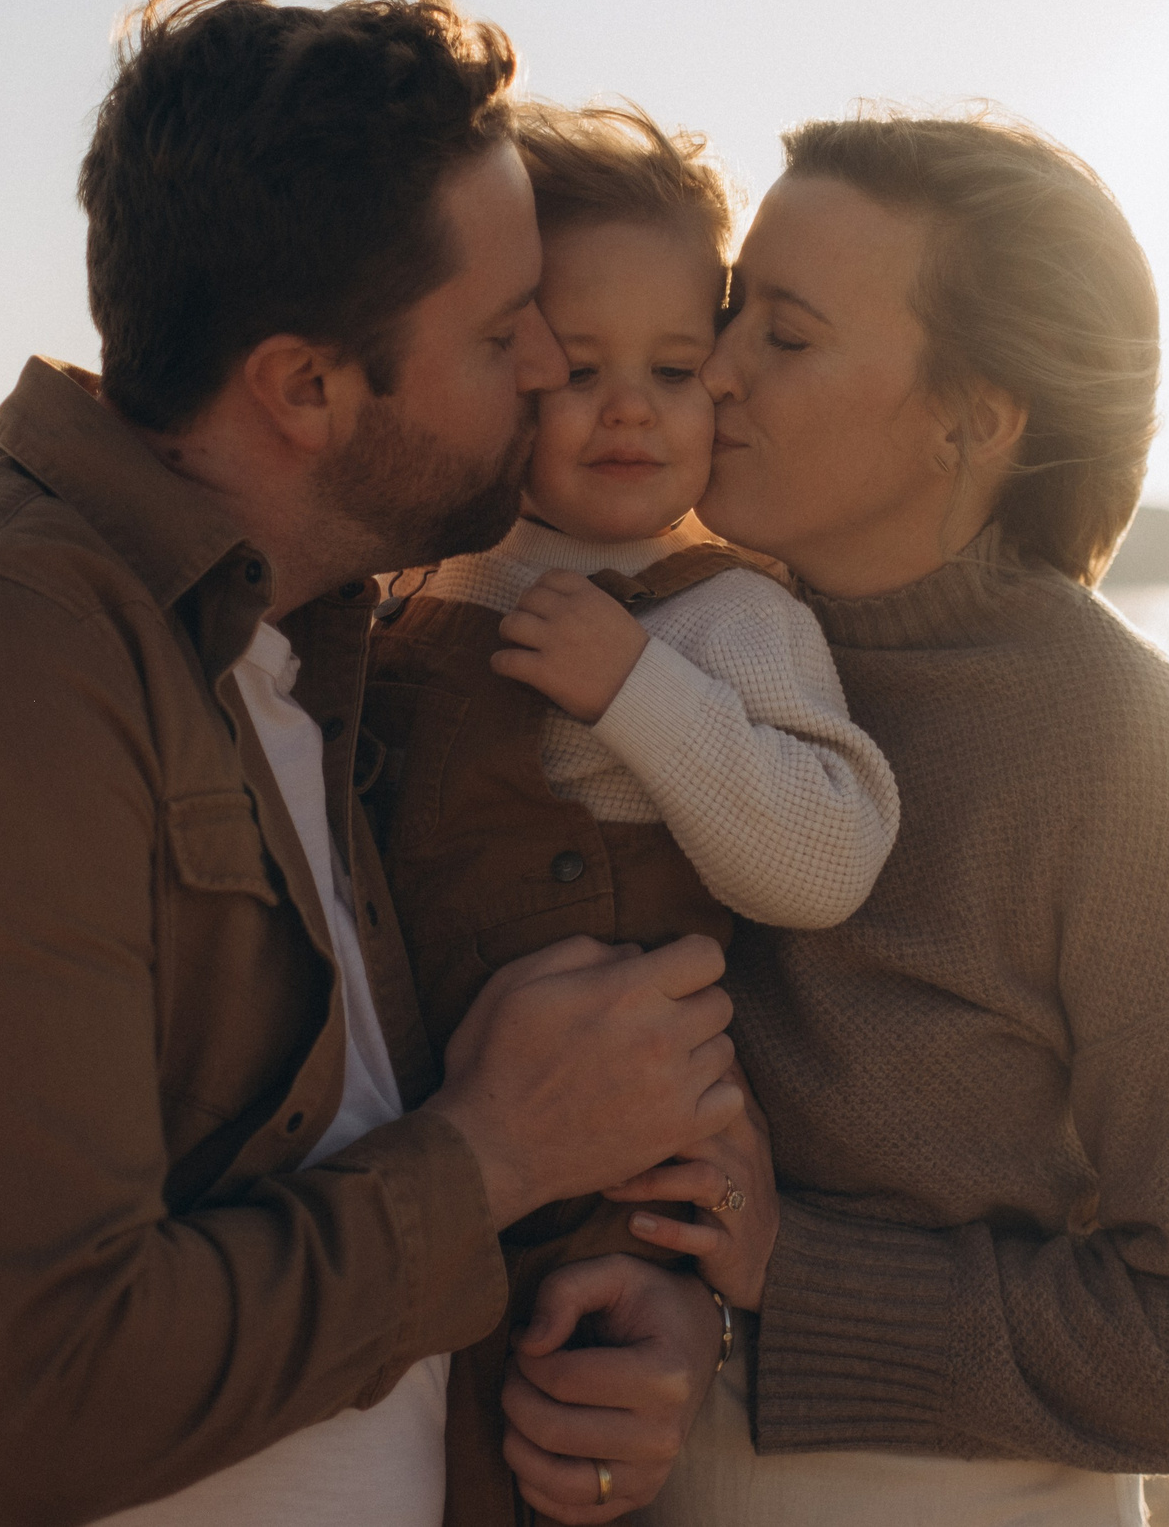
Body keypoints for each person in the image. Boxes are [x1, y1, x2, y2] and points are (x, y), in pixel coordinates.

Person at [0, 0, 746, 1527]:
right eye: (508, 331)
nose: (548, 373)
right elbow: (49, 1399)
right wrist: (499, 1154)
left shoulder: (324, 648)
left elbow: (350, 1184)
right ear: (305, 387)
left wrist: (651, 1320)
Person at [610, 112, 1169, 1527]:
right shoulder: (648, 638)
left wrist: (789, 1276)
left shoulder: (1121, 748)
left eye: (789, 335)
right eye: (734, 307)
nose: (719, 366)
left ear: (976, 417)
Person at [358, 101, 899, 1525]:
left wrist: (640, 693)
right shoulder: (427, 585)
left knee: (548, 1458)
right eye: (578, 368)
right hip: (418, 1134)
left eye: (671, 368)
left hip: (609, 1183)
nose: (629, 409)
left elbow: (826, 855)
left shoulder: (728, 614)